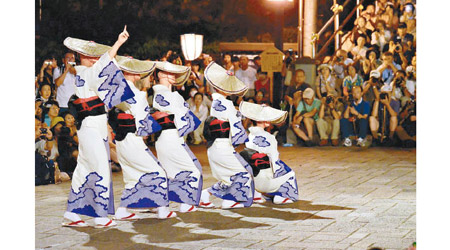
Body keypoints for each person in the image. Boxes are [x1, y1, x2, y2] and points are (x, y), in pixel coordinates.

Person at [62, 26, 135, 228]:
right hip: (91, 127)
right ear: (80, 57)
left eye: (95, 56)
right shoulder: (86, 72)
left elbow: (103, 64)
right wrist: (118, 43)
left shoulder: (85, 72)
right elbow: (104, 63)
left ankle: (72, 212)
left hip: (91, 127)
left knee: (84, 167)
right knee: (100, 167)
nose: (95, 59)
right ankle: (100, 214)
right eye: (89, 56)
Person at [110, 56, 177, 220]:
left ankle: (123, 210)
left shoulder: (119, 89)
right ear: (134, 74)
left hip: (121, 139)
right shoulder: (137, 94)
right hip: (132, 138)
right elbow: (142, 122)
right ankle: (162, 209)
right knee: (158, 172)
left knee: (133, 176)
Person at [200, 62, 255, 209]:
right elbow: (237, 125)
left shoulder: (218, 102)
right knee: (242, 175)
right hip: (223, 147)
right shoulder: (225, 104)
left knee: (229, 177)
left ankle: (205, 195)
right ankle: (229, 200)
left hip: (215, 147)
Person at [152, 61, 203, 213]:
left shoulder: (170, 95)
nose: (173, 76)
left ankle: (160, 205)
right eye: (169, 73)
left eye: (174, 73)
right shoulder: (164, 94)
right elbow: (184, 115)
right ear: (160, 75)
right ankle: (185, 203)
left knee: (169, 173)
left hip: (169, 137)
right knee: (192, 170)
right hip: (170, 137)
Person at [239, 101, 299, 204]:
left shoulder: (250, 136)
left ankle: (259, 193)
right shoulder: (270, 138)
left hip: (254, 181)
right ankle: (281, 196)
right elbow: (275, 162)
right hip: (265, 181)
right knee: (290, 174)